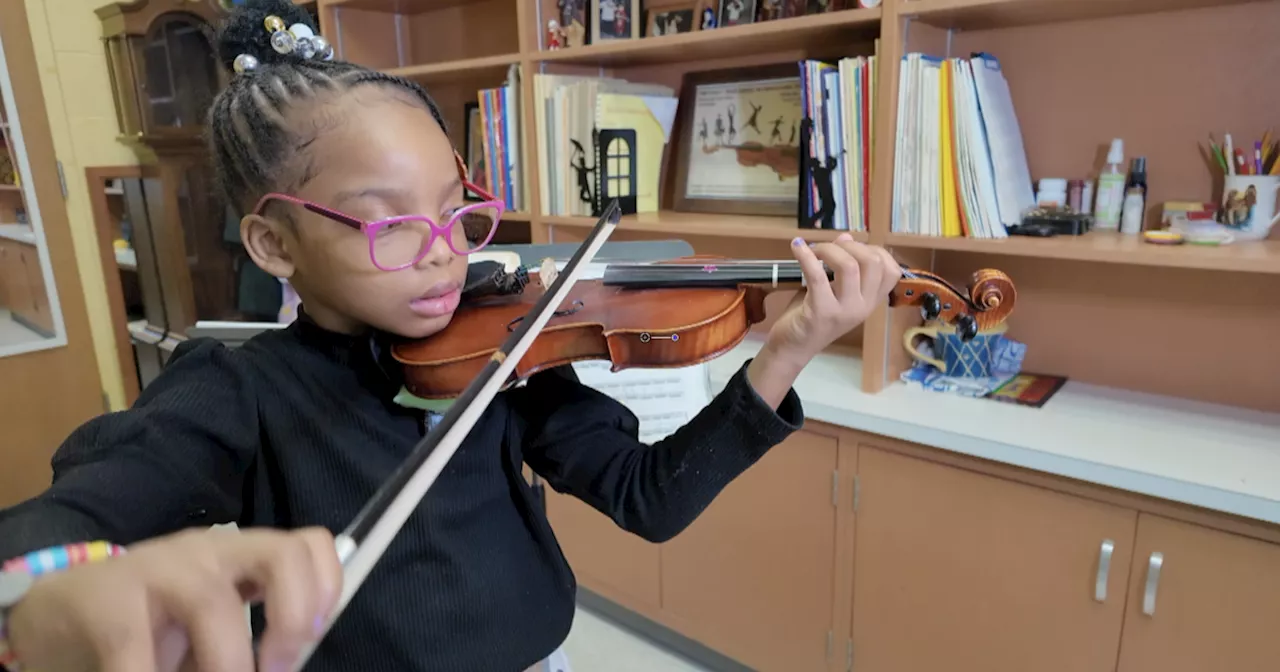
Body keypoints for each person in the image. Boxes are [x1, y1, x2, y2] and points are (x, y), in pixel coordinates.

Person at [0, 1, 900, 671]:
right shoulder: (238, 389)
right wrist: (44, 590)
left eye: (456, 211)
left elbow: (649, 499)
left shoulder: (507, 358)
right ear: (275, 242)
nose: (445, 260)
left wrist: (783, 351)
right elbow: (74, 512)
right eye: (388, 225)